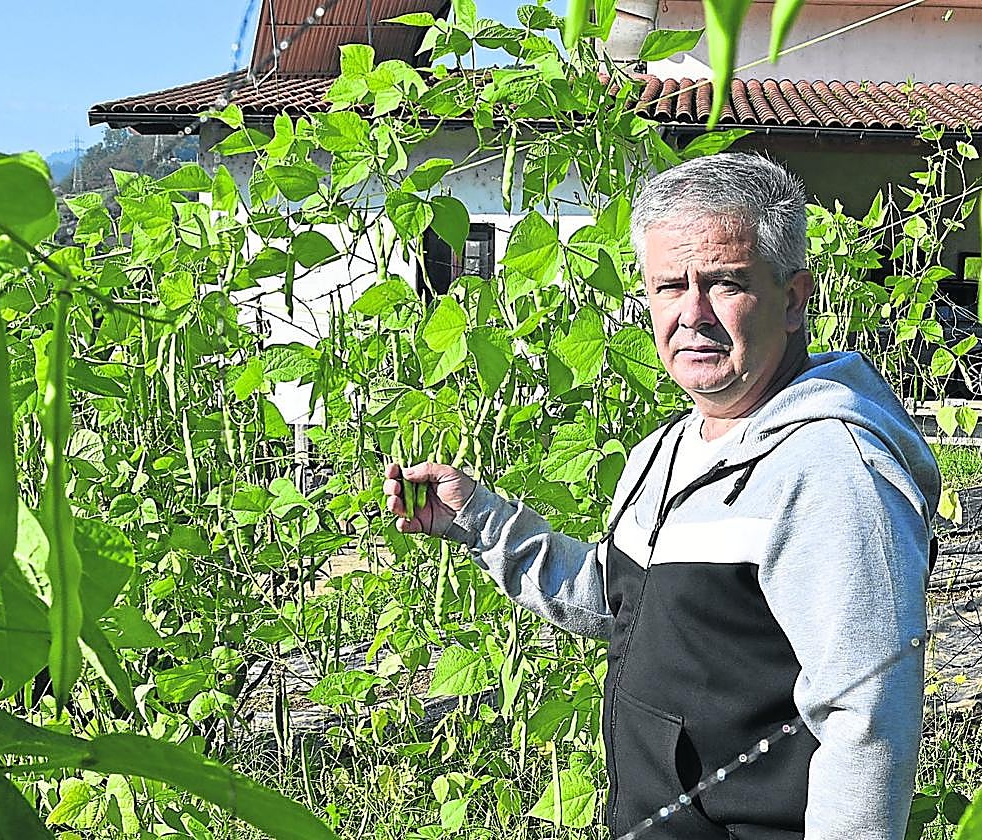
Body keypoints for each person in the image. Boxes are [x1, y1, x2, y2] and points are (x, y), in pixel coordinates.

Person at [382, 152, 939, 840]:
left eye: (725, 283)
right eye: (670, 286)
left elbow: (869, 720)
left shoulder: (830, 469)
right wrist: (478, 519)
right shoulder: (668, 449)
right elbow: (619, 605)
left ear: (793, 299)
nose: (692, 314)